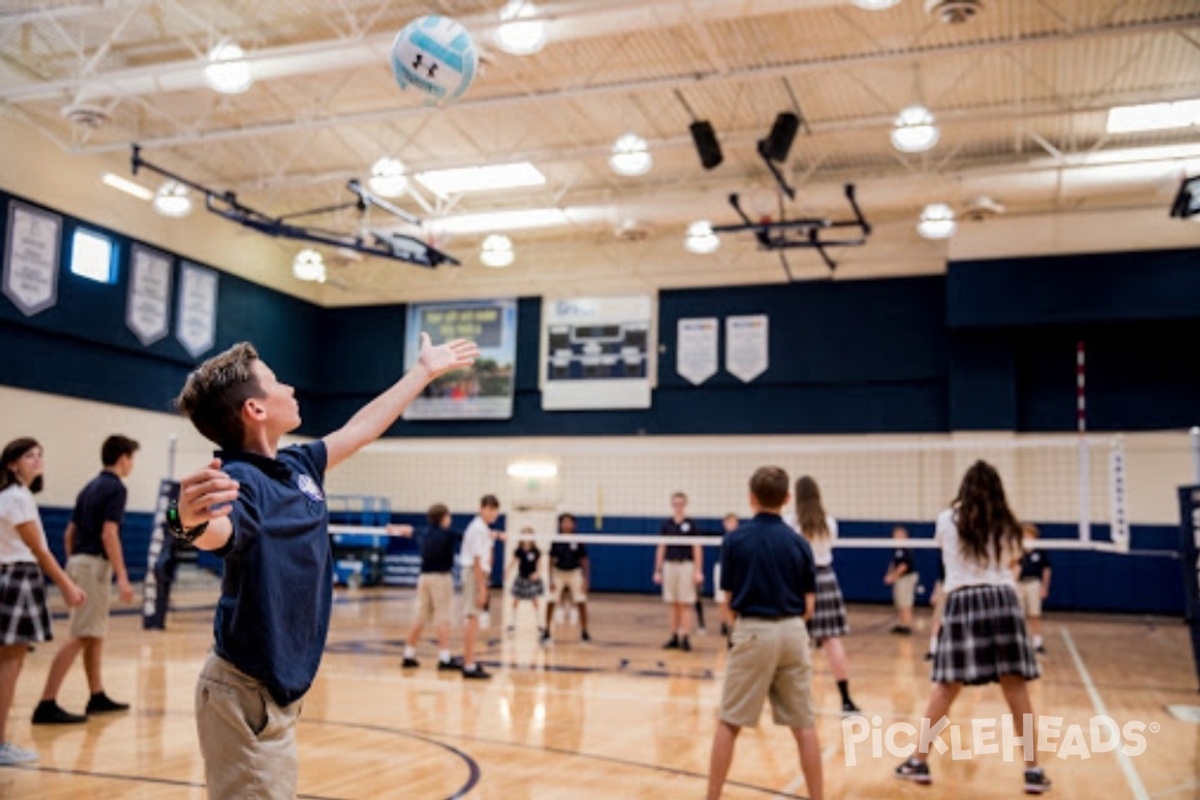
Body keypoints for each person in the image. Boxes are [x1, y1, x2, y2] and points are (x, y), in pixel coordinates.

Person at [170, 334, 478, 799]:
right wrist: (187, 522)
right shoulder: (240, 482)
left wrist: (423, 372)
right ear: (255, 409)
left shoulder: (297, 467)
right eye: (277, 382)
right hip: (243, 692)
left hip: (275, 691)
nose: (291, 388)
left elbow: (360, 428)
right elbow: (220, 532)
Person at [895, 460, 1049, 794]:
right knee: (1016, 688)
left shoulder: (946, 520)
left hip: (964, 600)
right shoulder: (1008, 524)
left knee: (947, 686)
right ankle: (1033, 769)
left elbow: (947, 551)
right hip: (1003, 600)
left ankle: (919, 761)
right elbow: (1011, 561)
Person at [706, 466, 822, 800]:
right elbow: (809, 606)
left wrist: (742, 630)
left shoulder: (734, 540)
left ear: (751, 497)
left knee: (729, 721)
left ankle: (712, 796)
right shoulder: (800, 544)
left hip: (753, 630)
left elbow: (726, 601)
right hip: (793, 632)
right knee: (804, 725)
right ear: (787, 499)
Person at [33, 434, 139, 725]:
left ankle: (97, 695)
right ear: (122, 458)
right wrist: (123, 575)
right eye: (132, 459)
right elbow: (109, 533)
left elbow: (69, 533)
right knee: (81, 634)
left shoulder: (89, 487)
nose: (132, 465)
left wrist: (73, 565)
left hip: (80, 562)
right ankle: (47, 701)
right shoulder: (116, 488)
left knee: (94, 634)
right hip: (93, 565)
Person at [0, 438, 87, 765]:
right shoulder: (16, 498)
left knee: (9, 662)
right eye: (28, 455)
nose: (37, 460)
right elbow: (38, 550)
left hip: (12, 576)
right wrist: (65, 584)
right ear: (12, 464)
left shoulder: (12, 497)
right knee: (10, 663)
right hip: (17, 578)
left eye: (40, 455)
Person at [786, 476, 860, 713]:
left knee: (798, 641)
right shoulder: (829, 522)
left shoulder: (790, 523)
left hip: (799, 580)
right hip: (826, 578)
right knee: (832, 640)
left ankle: (797, 699)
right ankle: (846, 699)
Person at [399, 503, 462, 671]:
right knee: (443, 618)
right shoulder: (448, 534)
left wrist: (399, 529)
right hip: (440, 578)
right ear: (443, 517)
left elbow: (410, 531)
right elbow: (466, 537)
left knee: (419, 617)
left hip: (424, 578)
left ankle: (408, 655)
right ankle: (444, 658)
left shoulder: (425, 533)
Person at [654, 491, 703, 651]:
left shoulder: (691, 524)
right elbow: (661, 547)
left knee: (685, 603)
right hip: (670, 565)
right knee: (672, 603)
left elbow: (697, 548)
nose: (678, 506)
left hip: (686, 566)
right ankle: (674, 636)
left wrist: (698, 570)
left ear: (685, 504)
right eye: (676, 503)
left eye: (681, 503)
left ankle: (685, 637)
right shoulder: (667, 525)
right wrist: (657, 570)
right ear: (672, 505)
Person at [460, 494, 501, 679]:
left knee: (474, 619)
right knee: (472, 619)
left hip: (478, 575)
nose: (493, 513)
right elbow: (476, 561)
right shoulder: (477, 528)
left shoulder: (482, 528)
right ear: (481, 508)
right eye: (489, 509)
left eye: (495, 509)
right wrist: (483, 588)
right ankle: (468, 665)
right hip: (473, 575)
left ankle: (470, 661)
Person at [543, 512, 591, 644]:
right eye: (564, 522)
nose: (566, 524)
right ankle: (546, 631)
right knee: (551, 601)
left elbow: (585, 560)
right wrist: (550, 579)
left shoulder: (578, 540)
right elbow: (550, 560)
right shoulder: (556, 540)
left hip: (575, 572)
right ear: (560, 524)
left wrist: (586, 579)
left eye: (569, 522)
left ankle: (584, 632)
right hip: (558, 572)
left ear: (574, 524)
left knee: (581, 601)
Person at [1015, 523, 1051, 654]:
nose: (1026, 537)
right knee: (1018, 615)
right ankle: (1019, 643)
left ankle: (1037, 643)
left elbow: (1046, 570)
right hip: (1018, 584)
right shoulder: (1017, 550)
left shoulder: (1040, 551)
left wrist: (1044, 587)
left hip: (1033, 583)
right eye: (1024, 535)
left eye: (1029, 535)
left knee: (1034, 614)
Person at [505, 527, 544, 635]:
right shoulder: (519, 550)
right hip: (521, 578)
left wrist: (537, 573)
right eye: (524, 535)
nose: (527, 538)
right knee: (515, 601)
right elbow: (513, 561)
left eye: (529, 536)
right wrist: (507, 571)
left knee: (535, 601)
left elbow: (540, 565)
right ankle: (512, 623)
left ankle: (539, 623)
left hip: (531, 579)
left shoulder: (536, 551)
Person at [883, 524, 917, 636]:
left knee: (906, 602)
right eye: (894, 535)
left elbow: (904, 566)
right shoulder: (896, 549)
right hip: (900, 578)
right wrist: (889, 574)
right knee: (900, 602)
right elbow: (894, 564)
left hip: (906, 578)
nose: (895, 537)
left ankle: (908, 625)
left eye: (897, 535)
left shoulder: (906, 549)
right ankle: (902, 624)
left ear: (904, 536)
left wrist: (893, 577)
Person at [717, 512, 738, 638]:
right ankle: (724, 624)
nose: (731, 524)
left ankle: (734, 625)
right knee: (721, 599)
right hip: (722, 568)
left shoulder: (741, 537)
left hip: (737, 569)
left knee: (734, 598)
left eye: (734, 522)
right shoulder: (722, 537)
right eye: (729, 522)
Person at [925, 558, 946, 662]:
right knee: (937, 620)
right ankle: (933, 651)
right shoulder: (943, 556)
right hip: (944, 587)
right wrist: (935, 592)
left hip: (957, 587)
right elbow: (940, 577)